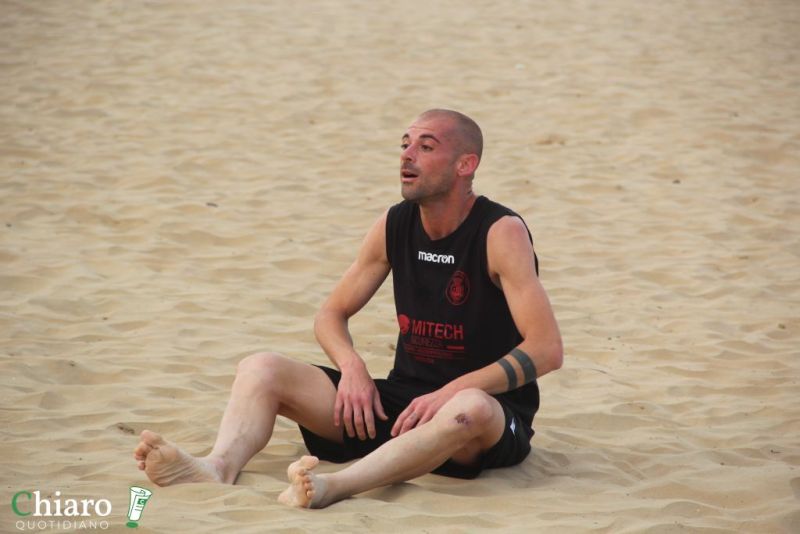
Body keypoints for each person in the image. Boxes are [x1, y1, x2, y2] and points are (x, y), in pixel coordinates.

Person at [133, 109, 563, 509]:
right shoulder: (394, 224)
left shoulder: (499, 231)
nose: (407, 156)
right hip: (401, 406)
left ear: (465, 165)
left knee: (472, 405)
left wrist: (452, 391)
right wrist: (352, 366)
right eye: (405, 144)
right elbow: (330, 315)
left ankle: (333, 487)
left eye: (426, 147)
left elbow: (546, 349)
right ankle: (217, 467)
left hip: (479, 422)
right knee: (261, 367)